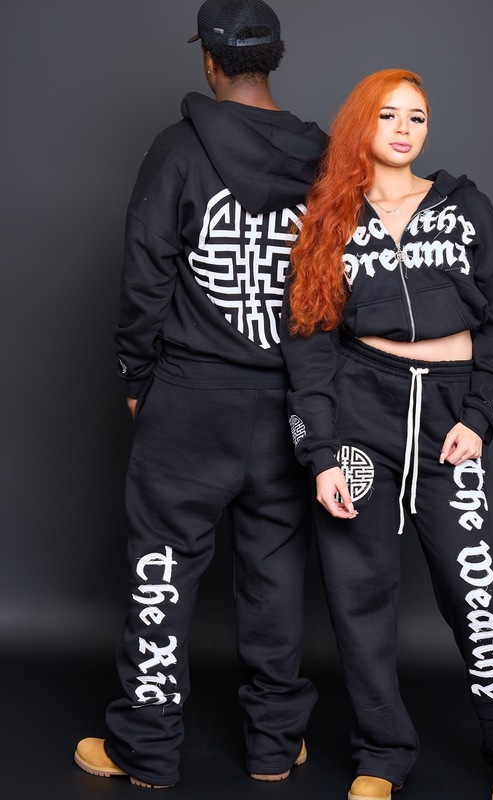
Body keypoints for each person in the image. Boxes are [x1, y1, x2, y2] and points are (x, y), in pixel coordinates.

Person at [74, 0, 326, 789]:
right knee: (275, 573)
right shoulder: (325, 159)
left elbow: (145, 270)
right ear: (274, 57)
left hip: (189, 397)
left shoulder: (178, 150)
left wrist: (136, 375)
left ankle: (147, 749)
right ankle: (275, 743)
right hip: (289, 400)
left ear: (209, 61)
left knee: (162, 565)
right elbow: (342, 283)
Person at [280, 69, 493, 800]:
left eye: (417, 117)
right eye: (389, 115)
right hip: (361, 409)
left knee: (473, 592)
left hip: (450, 414)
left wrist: (479, 415)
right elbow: (309, 340)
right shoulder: (329, 216)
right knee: (358, 594)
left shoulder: (464, 206)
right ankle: (381, 754)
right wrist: (322, 453)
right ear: (360, 123)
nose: (404, 129)